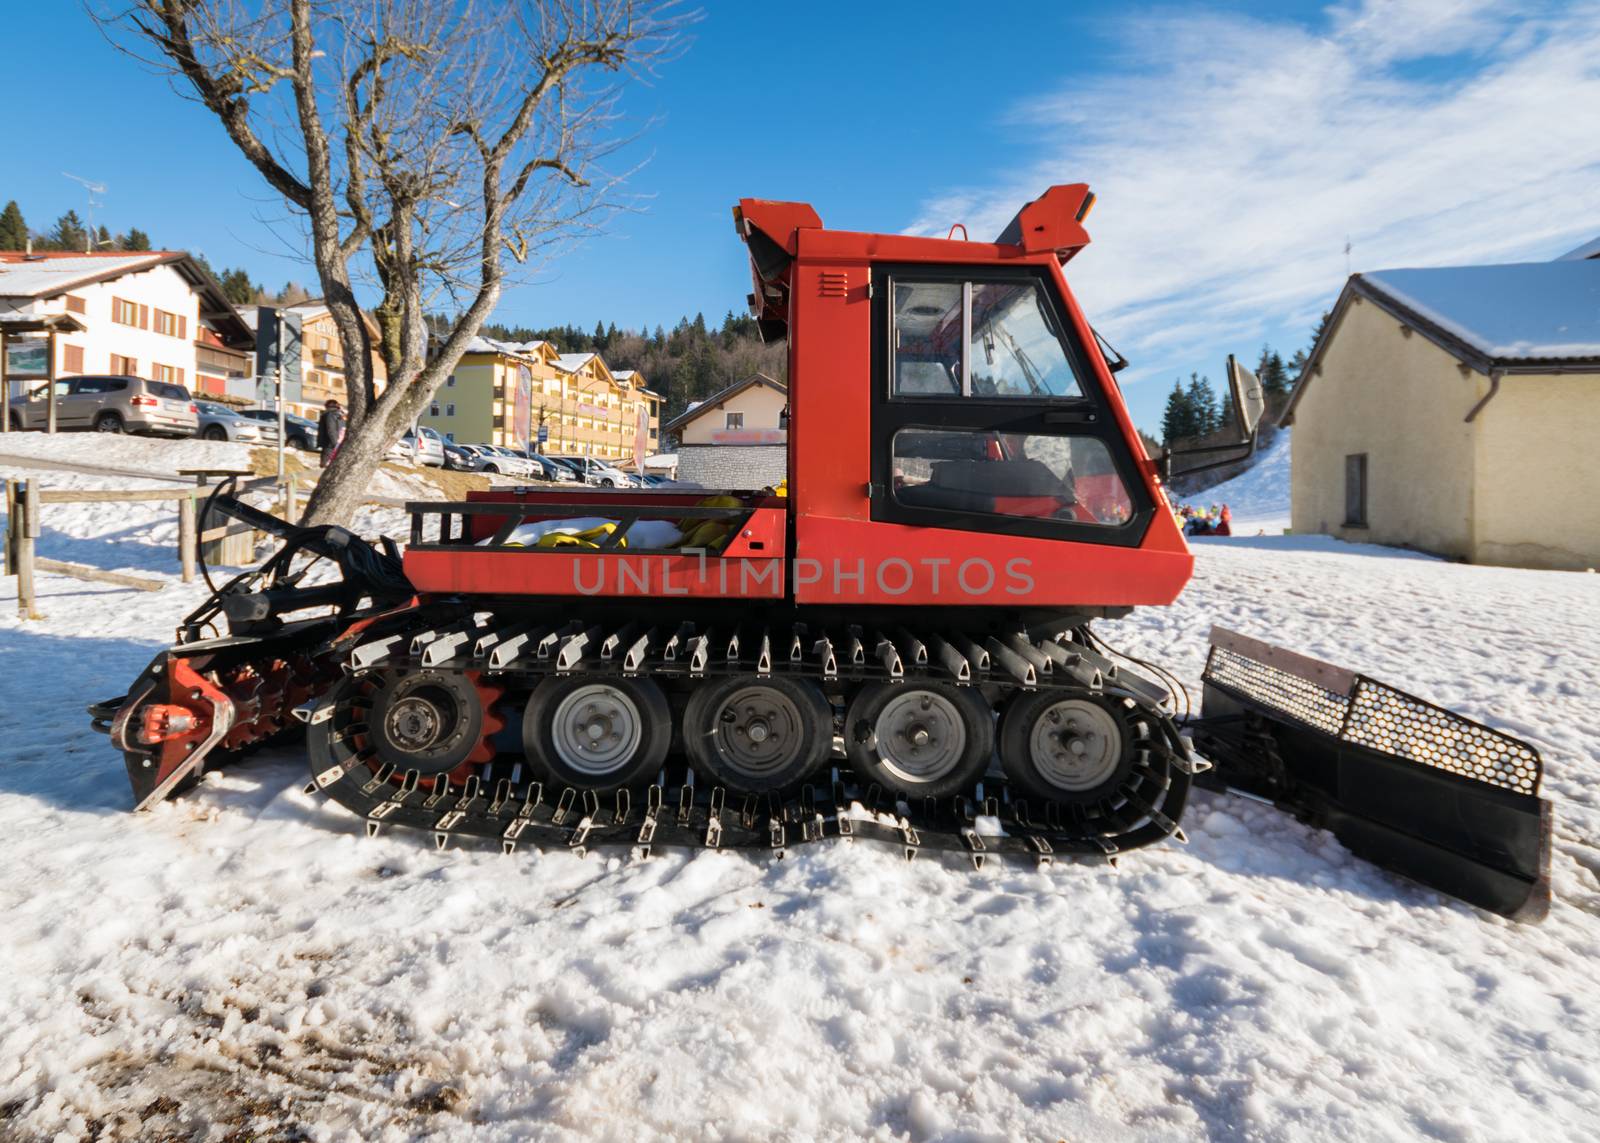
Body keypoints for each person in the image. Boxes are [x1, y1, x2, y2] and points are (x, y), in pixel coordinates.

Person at [317, 399, 346, 468]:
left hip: (333, 443)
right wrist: (335, 443)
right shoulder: (332, 414)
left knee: (329, 464)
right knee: (326, 464)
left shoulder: (336, 414)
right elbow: (331, 430)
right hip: (331, 443)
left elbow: (334, 429)